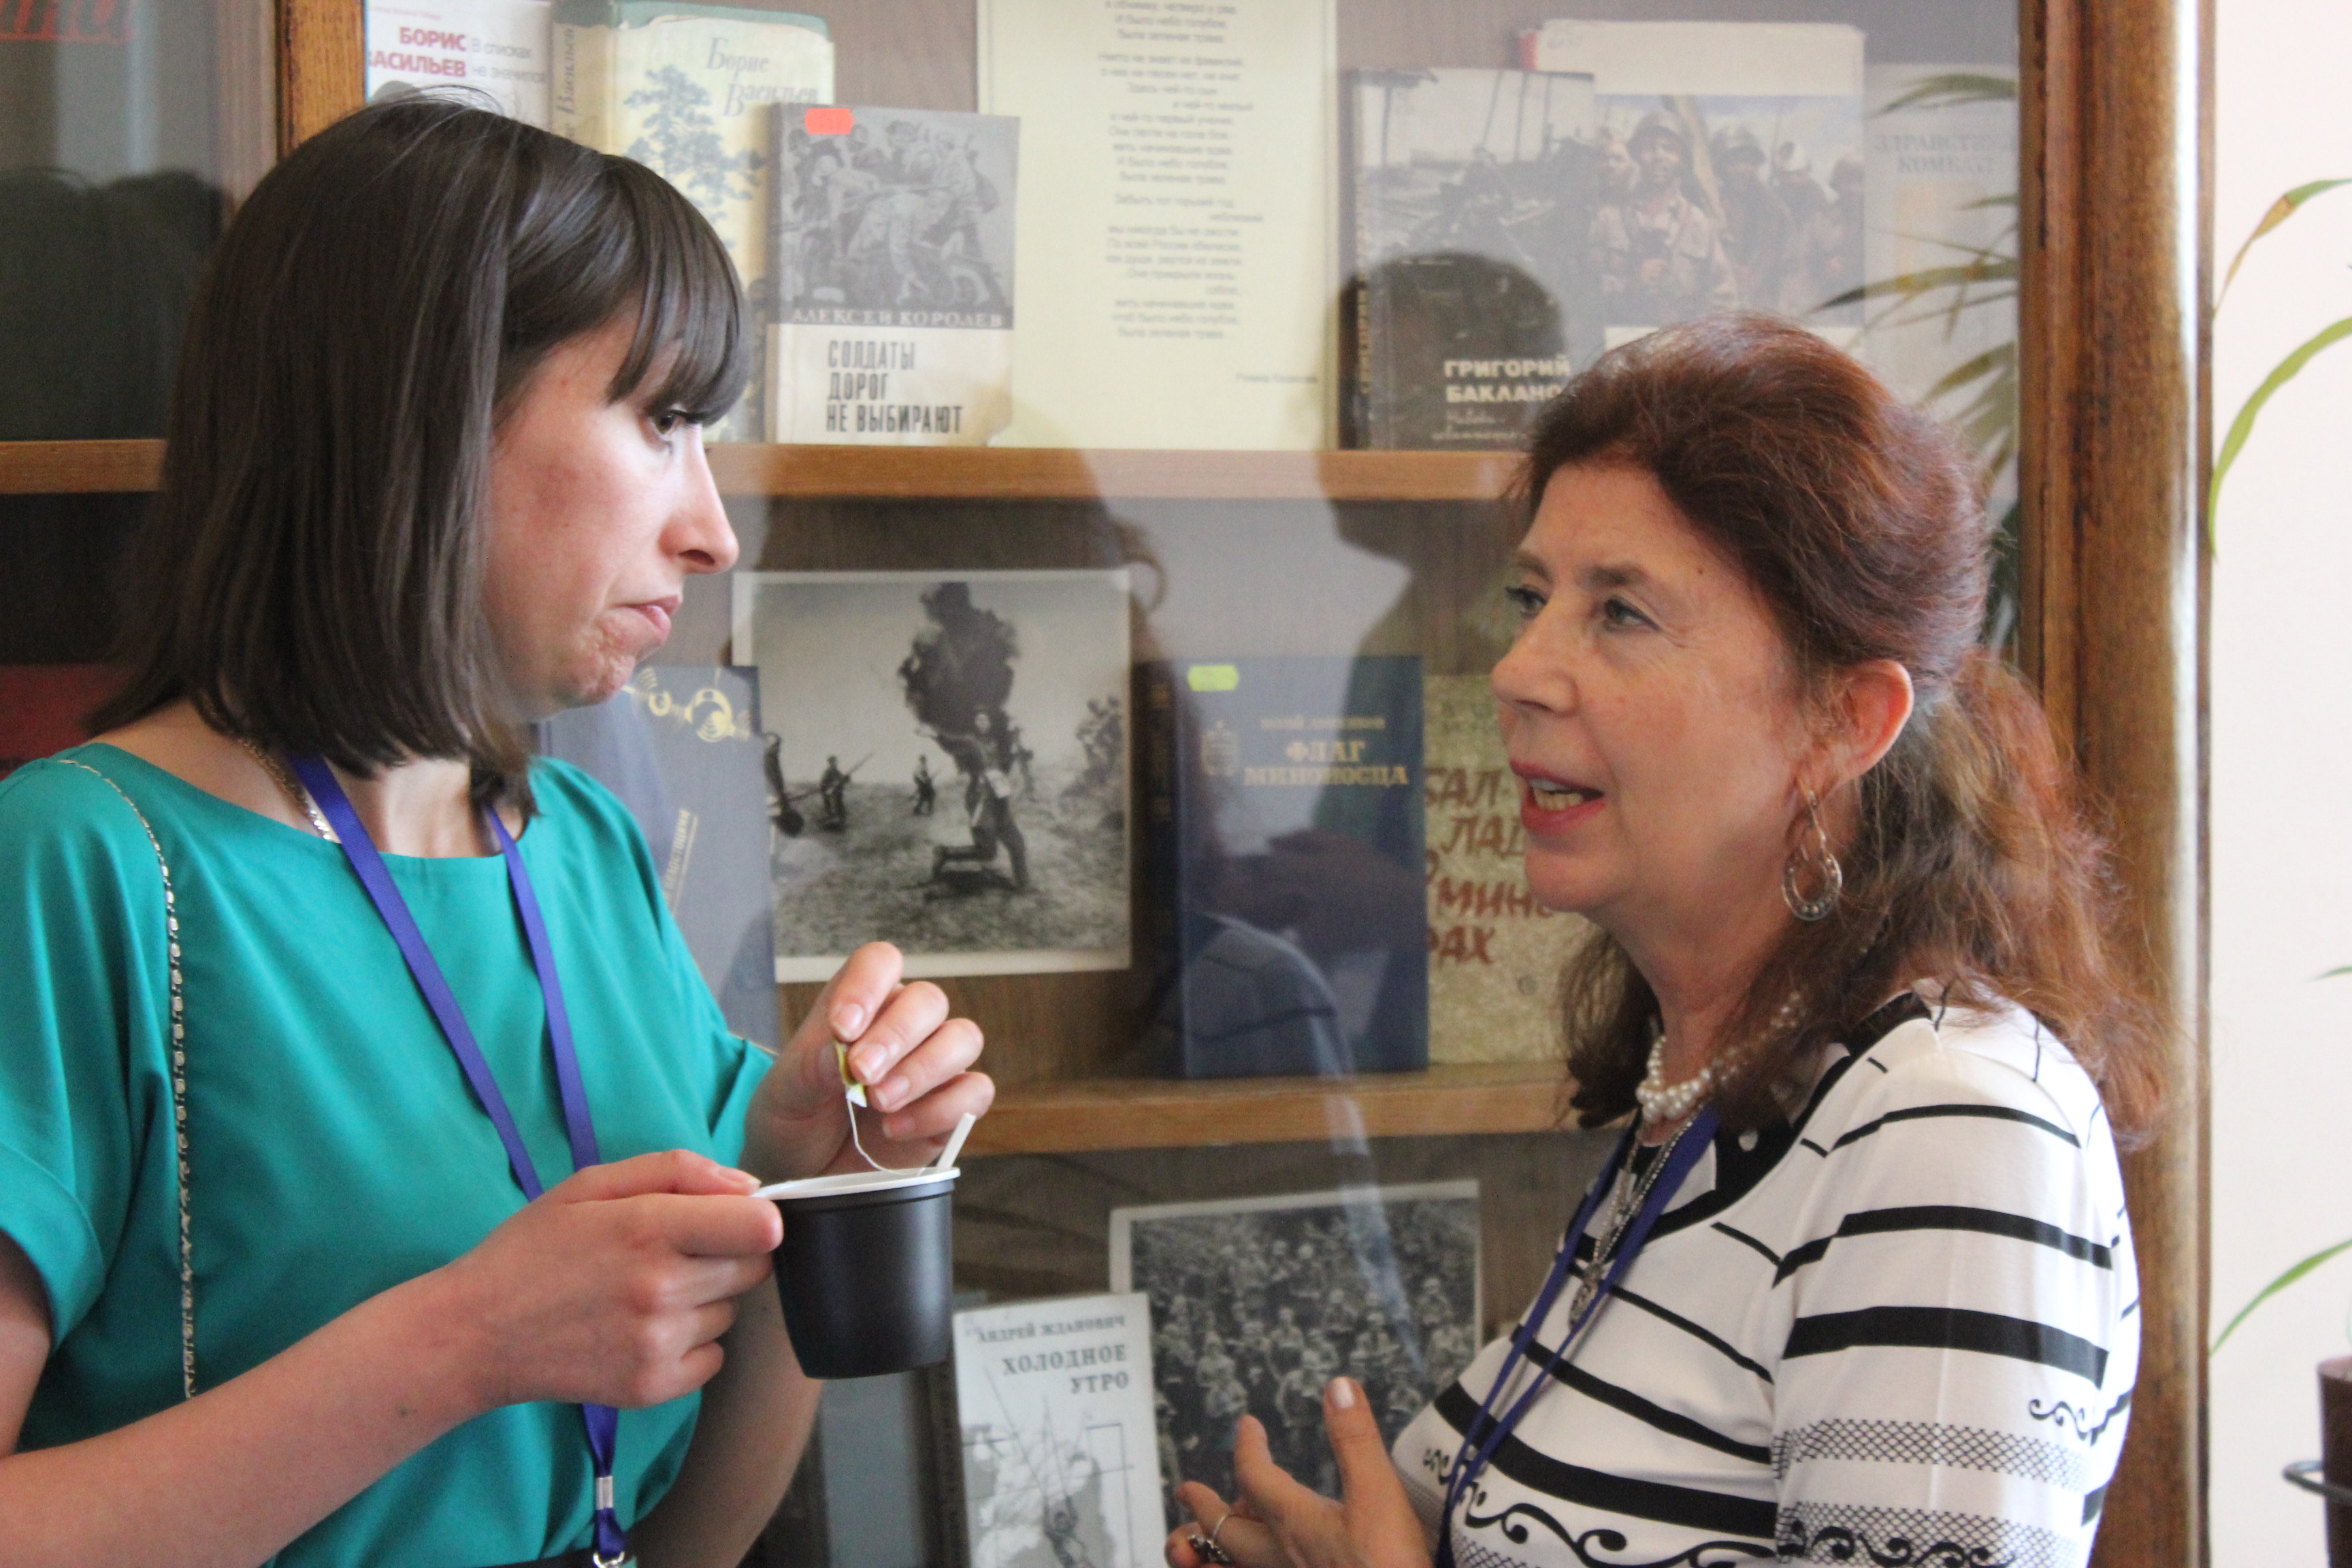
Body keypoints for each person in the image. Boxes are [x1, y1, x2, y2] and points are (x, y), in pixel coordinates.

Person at [0, 99, 993, 1567]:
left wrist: (813, 1174)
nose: (714, 531)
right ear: (430, 416)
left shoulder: (579, 844)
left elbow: (677, 1536)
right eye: (661, 422)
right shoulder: (78, 867)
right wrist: (462, 1342)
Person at [1165, 314, 2161, 1568]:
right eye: (1532, 598)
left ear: (1842, 720)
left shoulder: (1950, 1127)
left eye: (1622, 613)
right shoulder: (1724, 1096)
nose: (1519, 668)